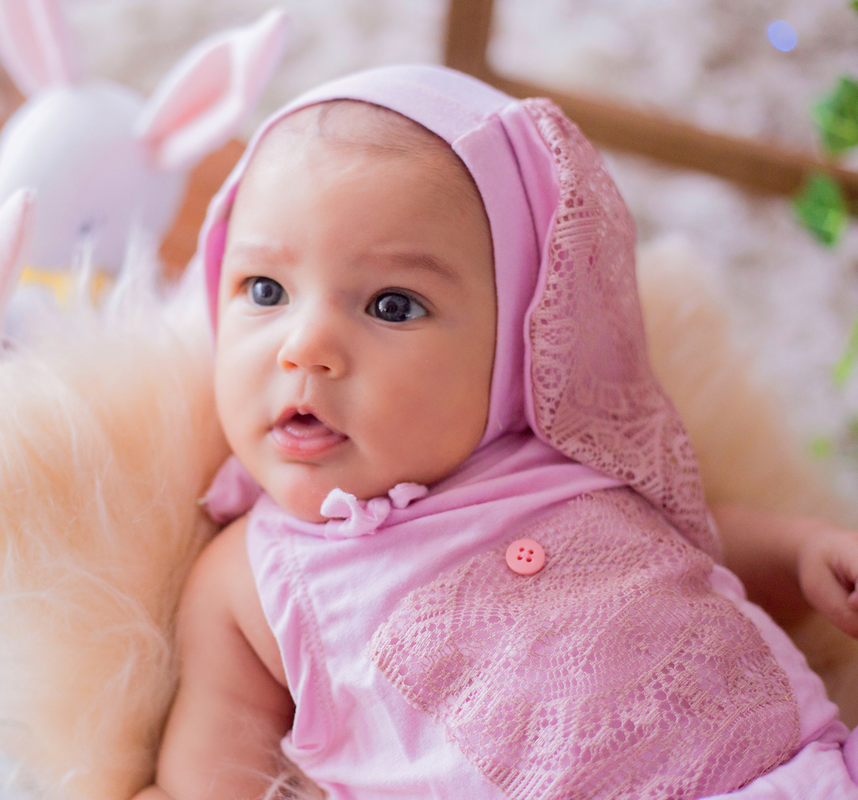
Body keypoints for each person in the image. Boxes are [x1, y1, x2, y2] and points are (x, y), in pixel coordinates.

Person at [133, 65, 858, 799]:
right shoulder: (252, 580)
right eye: (266, 291)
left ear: (518, 338)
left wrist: (800, 554)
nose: (305, 346)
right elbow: (206, 775)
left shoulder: (572, 446)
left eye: (391, 305)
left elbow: (692, 549)